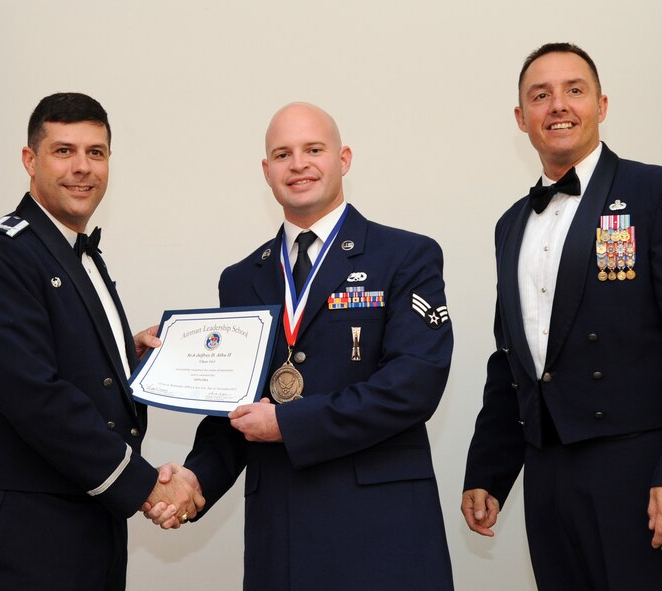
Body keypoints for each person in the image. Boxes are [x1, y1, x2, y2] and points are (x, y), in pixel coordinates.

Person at [461, 43, 662, 590]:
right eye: (540, 96)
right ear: (521, 118)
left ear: (602, 105)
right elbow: (513, 357)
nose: (557, 105)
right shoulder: (510, 225)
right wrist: (488, 472)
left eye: (574, 90)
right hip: (549, 478)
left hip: (644, 477)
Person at [145, 102, 455, 590]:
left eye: (314, 149)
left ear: (343, 158)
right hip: (282, 533)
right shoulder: (242, 278)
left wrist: (287, 423)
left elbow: (413, 385)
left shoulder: (405, 256)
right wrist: (193, 482)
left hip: (383, 531)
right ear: (266, 171)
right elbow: (235, 408)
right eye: (282, 154)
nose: (299, 164)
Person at [0, 92, 204, 591]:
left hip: (88, 519)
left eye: (96, 152)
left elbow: (56, 353)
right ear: (30, 160)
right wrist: (146, 484)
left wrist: (129, 354)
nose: (82, 168)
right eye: (63, 151)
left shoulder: (75, 252)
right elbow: (35, 395)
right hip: (26, 532)